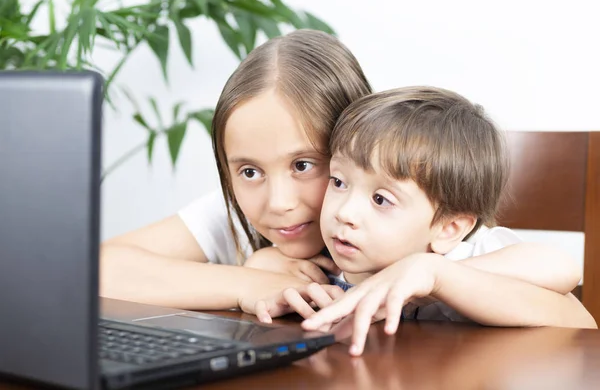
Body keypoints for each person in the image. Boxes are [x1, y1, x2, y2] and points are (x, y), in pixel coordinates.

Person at [102, 30, 579, 314]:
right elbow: (98, 270)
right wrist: (252, 282)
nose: (278, 202)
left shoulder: (417, 239)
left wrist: (430, 275)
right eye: (249, 171)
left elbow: (568, 304)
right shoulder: (238, 215)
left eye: (305, 165)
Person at [254, 87, 596, 355]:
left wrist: (434, 275)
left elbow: (563, 269)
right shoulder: (340, 262)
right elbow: (265, 267)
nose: (344, 212)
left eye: (380, 199)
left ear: (449, 228)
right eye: (339, 182)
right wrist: (284, 299)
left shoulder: (462, 255)